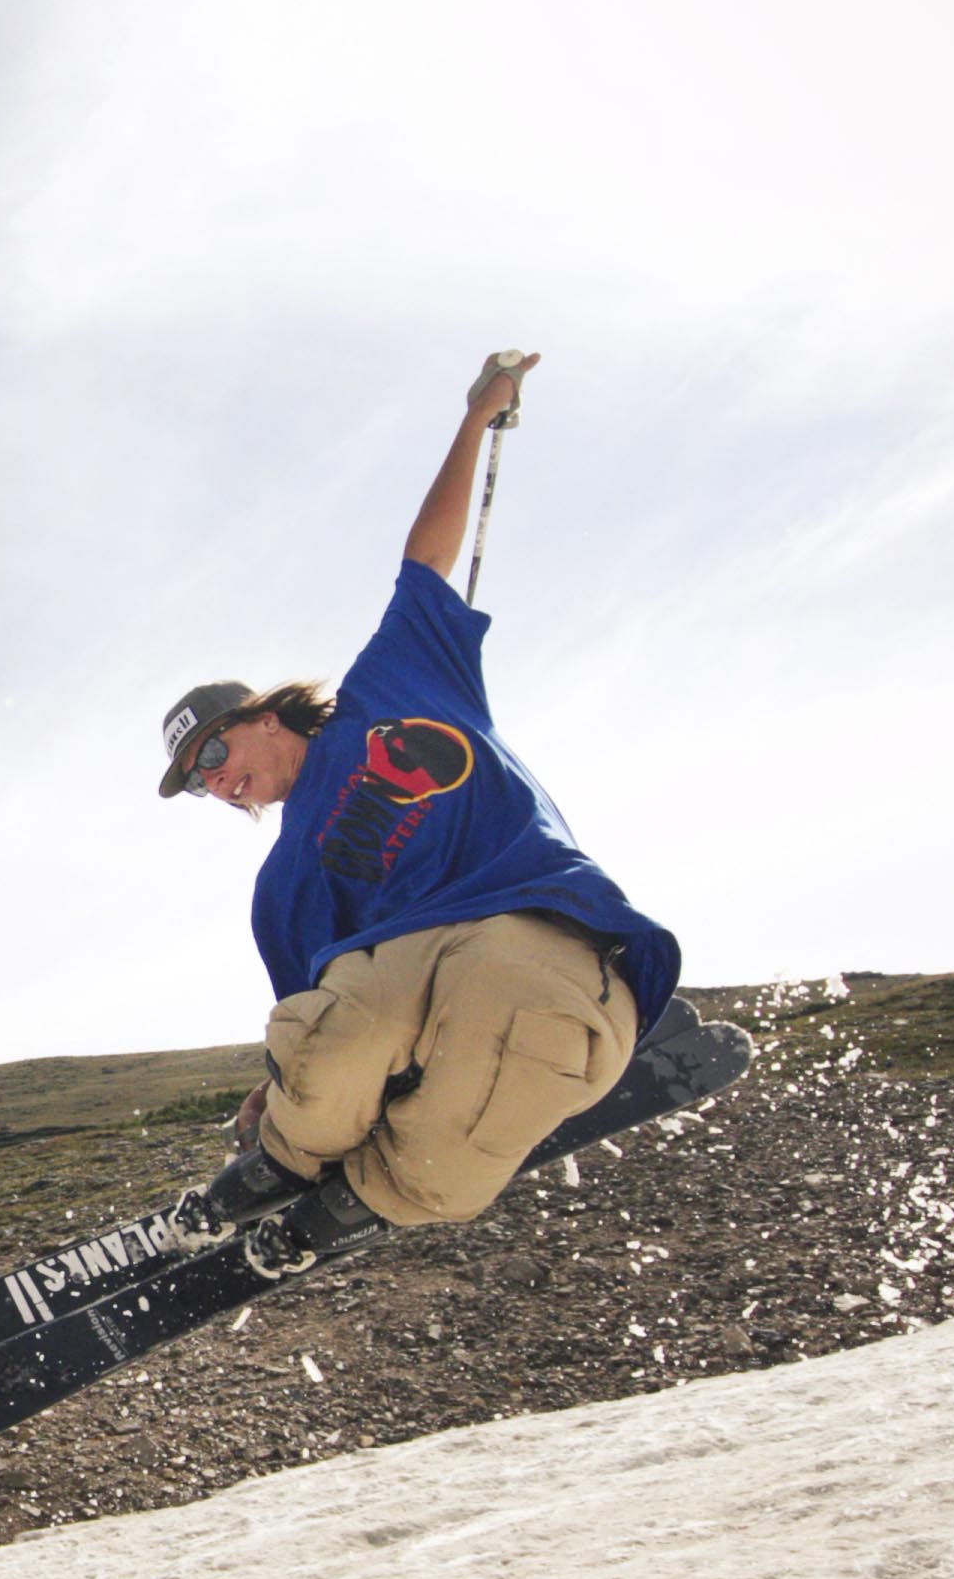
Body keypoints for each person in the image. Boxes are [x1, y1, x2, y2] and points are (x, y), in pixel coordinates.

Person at [157, 350, 679, 1259]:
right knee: (329, 1044)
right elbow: (315, 1020)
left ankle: (365, 1195)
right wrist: (281, 1093)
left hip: (533, 928)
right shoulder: (282, 887)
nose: (213, 778)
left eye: (213, 750)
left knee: (470, 1095)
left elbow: (426, 560)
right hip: (398, 975)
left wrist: (476, 418)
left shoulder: (393, 684)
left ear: (262, 716)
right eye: (197, 781)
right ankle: (288, 1168)